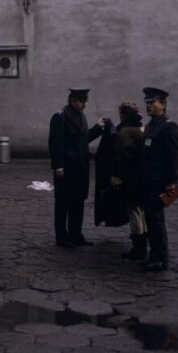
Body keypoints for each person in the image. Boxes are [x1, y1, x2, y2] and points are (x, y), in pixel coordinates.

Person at [48, 88, 106, 247]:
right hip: (66, 167)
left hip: (81, 167)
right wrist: (58, 165)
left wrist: (98, 128)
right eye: (82, 101)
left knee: (78, 201)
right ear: (73, 100)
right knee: (63, 203)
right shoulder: (60, 116)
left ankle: (76, 235)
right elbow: (55, 143)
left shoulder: (81, 116)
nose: (84, 105)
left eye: (85, 101)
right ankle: (62, 238)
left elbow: (83, 139)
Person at [141, 87, 178, 271]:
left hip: (159, 182)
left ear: (163, 105)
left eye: (152, 102)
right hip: (148, 181)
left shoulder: (169, 126)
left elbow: (172, 158)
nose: (148, 106)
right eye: (147, 103)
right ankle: (154, 254)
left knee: (156, 220)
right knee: (150, 219)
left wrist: (171, 182)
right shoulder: (150, 125)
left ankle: (160, 258)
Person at [110, 102, 148, 260]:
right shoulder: (141, 128)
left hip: (130, 179)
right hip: (142, 177)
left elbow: (121, 156)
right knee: (141, 212)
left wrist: (116, 177)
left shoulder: (125, 132)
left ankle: (138, 249)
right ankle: (143, 246)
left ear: (123, 115)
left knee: (133, 212)